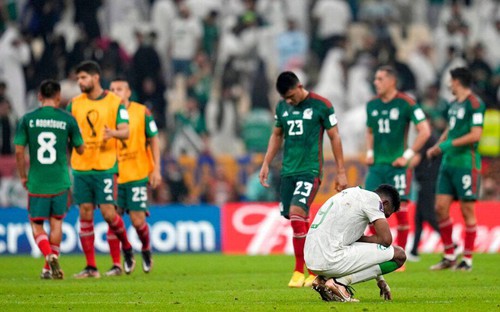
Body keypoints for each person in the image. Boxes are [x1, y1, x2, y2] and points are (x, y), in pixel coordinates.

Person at [259, 71, 348, 288]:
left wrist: (341, 170)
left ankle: (300, 270)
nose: (289, 101)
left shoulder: (321, 105)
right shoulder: (282, 107)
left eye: (291, 96)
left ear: (299, 86)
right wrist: (266, 163)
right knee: (297, 220)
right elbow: (277, 135)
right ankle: (312, 272)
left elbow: (334, 136)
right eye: (286, 98)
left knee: (297, 214)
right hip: (288, 172)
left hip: (310, 169)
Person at [67, 61, 133, 278]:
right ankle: (91, 267)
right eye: (78, 79)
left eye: (83, 78)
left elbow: (126, 132)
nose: (80, 82)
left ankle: (126, 249)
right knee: (85, 213)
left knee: (108, 213)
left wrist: (112, 133)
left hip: (105, 166)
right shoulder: (74, 104)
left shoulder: (115, 102)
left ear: (96, 78)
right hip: (81, 167)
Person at [14, 80, 85, 279]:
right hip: (60, 181)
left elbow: (19, 151)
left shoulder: (27, 119)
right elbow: (80, 148)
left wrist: (22, 176)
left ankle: (48, 257)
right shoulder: (68, 119)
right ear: (58, 97)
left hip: (37, 181)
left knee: (37, 225)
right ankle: (50, 262)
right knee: (57, 224)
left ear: (39, 97)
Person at [365, 65, 431, 264]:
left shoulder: (407, 103)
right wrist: (369, 152)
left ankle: (398, 257)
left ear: (392, 81)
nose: (376, 82)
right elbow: (369, 131)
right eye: (375, 79)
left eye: (380, 79)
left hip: (397, 167)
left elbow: (425, 131)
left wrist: (408, 155)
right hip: (377, 167)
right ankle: (372, 254)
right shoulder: (372, 105)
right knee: (368, 211)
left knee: (401, 213)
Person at [427, 67, 486, 271]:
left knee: (466, 210)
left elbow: (476, 135)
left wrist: (447, 145)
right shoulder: (453, 105)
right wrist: (438, 145)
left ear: (458, 81)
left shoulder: (475, 104)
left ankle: (467, 259)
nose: (449, 85)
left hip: (466, 165)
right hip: (448, 164)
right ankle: (449, 255)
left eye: (451, 81)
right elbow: (450, 128)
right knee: (440, 208)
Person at [305, 185, 405, 302]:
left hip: (312, 259)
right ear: (385, 203)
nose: (383, 217)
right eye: (385, 214)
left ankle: (322, 280)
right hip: (330, 258)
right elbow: (386, 240)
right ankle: (339, 283)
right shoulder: (373, 200)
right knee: (399, 255)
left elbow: (365, 250)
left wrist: (380, 280)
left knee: (350, 247)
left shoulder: (350, 194)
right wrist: (363, 239)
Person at [105, 78, 162, 276]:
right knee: (113, 220)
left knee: (138, 222)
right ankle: (120, 260)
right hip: (113, 174)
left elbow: (154, 139)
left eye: (119, 89)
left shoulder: (141, 111)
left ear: (128, 92)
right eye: (112, 89)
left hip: (137, 173)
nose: (115, 92)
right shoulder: (106, 112)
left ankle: (145, 248)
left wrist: (156, 169)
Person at [408, 133, 442, 261]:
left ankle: (452, 244)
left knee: (429, 216)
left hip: (427, 181)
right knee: (419, 218)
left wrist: (403, 160)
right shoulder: (432, 139)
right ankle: (414, 250)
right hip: (427, 181)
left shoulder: (426, 138)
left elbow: (415, 160)